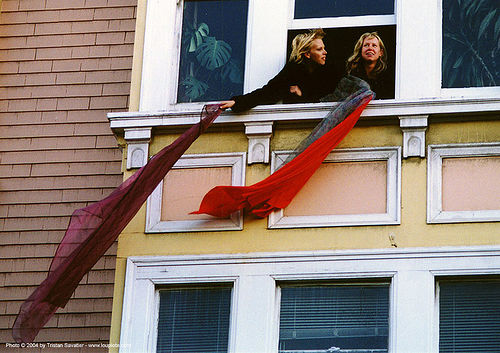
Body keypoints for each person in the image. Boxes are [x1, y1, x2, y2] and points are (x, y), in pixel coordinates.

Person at [220, 29, 340, 112]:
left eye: (324, 48)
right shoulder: (293, 70)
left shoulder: (329, 71)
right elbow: (268, 92)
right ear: (308, 54)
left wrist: (301, 94)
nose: (325, 52)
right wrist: (237, 102)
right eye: (319, 49)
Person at [345, 32, 394, 99]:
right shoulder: (351, 76)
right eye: (366, 45)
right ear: (360, 50)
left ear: (381, 52)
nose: (370, 48)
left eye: (374, 45)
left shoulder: (387, 77)